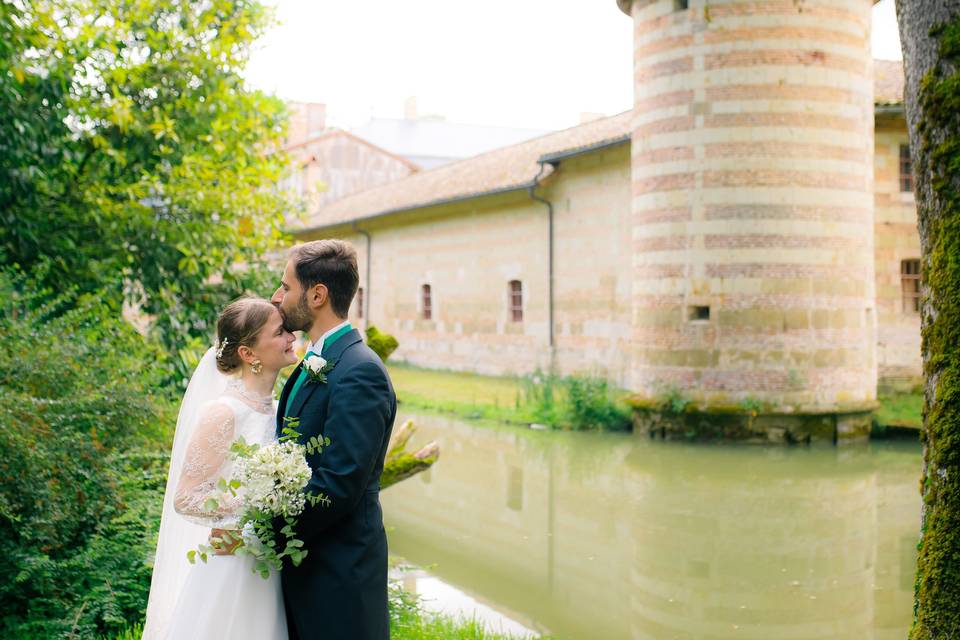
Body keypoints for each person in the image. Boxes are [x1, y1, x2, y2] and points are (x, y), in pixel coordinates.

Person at [142, 297, 298, 639]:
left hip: (269, 564)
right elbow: (186, 498)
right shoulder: (224, 412)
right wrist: (255, 510)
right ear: (248, 353)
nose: (291, 337)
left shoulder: (282, 408)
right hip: (232, 565)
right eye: (280, 332)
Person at [271, 239, 397, 640]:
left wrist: (264, 531)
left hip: (340, 577)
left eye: (286, 287)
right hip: (307, 565)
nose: (278, 297)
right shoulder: (315, 360)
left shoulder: (361, 372)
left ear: (318, 294)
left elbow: (339, 483)